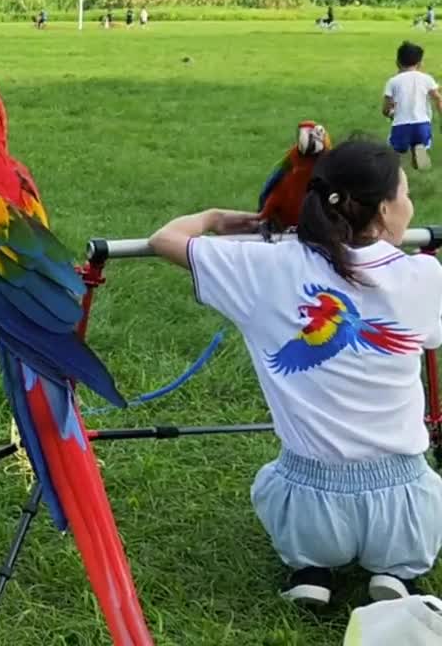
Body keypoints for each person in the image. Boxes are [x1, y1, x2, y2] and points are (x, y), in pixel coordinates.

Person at [148, 137, 442, 608]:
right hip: (404, 507)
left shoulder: (266, 267)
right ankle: (396, 574)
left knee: (285, 487)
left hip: (310, 504)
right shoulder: (425, 275)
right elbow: (427, 337)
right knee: (413, 511)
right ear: (385, 212)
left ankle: (310, 569)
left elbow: (164, 239)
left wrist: (213, 219)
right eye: (405, 194)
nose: (409, 205)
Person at [383, 40, 442, 171]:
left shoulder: (393, 82)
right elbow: (438, 98)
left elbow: (385, 109)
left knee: (393, 153)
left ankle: (397, 171)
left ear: (397, 62)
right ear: (420, 63)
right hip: (422, 125)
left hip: (401, 126)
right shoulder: (427, 79)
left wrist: (391, 113)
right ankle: (418, 153)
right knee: (419, 148)